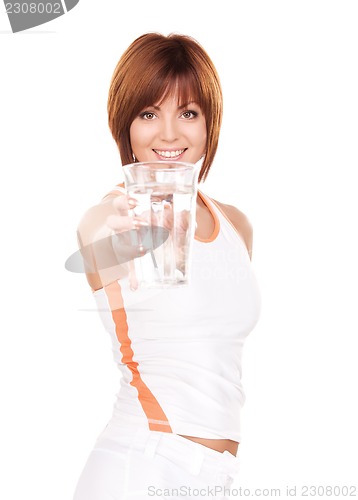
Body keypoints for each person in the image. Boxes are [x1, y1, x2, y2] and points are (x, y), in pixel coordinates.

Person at [73, 32, 261, 500]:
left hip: (213, 479)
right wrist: (109, 232)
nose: (170, 134)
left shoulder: (235, 225)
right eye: (149, 113)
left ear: (209, 123)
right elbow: (96, 238)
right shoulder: (113, 219)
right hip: (140, 465)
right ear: (126, 126)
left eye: (189, 113)